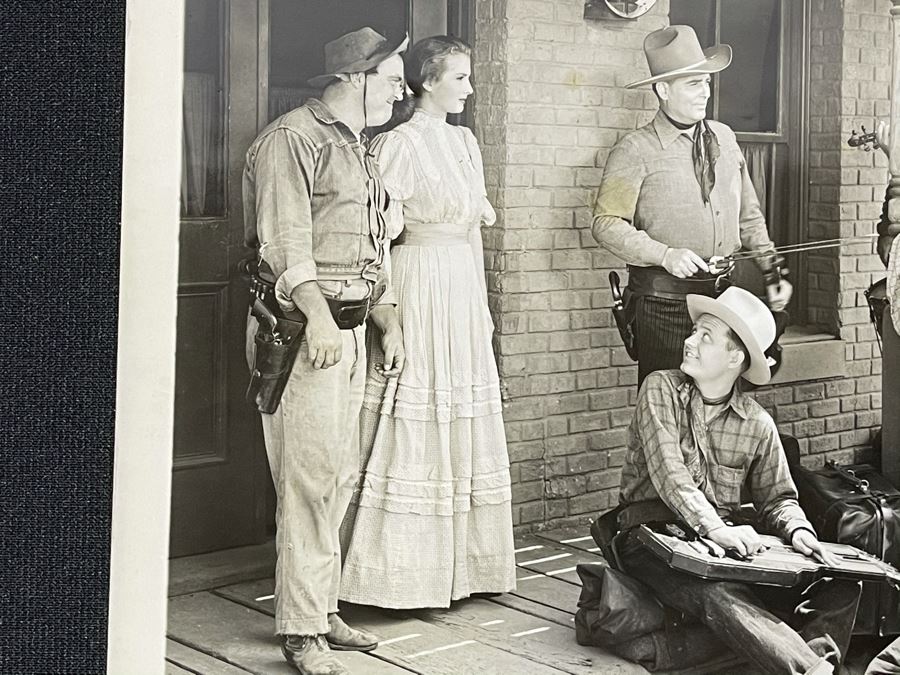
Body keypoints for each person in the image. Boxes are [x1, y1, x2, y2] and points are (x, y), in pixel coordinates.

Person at [242, 27, 408, 675]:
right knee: (308, 479)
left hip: (348, 329)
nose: (401, 91)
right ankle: (303, 629)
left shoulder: (357, 146)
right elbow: (285, 242)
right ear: (354, 78)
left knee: (335, 475)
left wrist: (386, 317)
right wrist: (316, 319)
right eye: (392, 78)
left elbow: (370, 244)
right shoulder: (293, 139)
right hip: (302, 330)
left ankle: (321, 605)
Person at [339, 35, 516, 609]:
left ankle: (461, 568)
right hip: (418, 283)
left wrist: (482, 309)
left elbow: (470, 234)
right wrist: (387, 313)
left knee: (460, 411)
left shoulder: (465, 142)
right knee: (414, 408)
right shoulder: (396, 145)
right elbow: (376, 240)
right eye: (459, 78)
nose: (470, 88)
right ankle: (398, 575)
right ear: (427, 82)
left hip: (460, 290)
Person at [611, 286, 862, 674]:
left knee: (842, 584)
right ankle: (807, 667)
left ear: (735, 357)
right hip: (649, 537)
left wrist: (799, 532)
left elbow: (778, 499)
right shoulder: (660, 389)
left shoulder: (758, 424)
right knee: (719, 593)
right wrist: (717, 529)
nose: (689, 341)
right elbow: (670, 475)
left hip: (722, 546)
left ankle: (808, 661)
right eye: (694, 331)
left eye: (705, 337)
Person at [592, 25, 792, 388]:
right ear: (663, 90)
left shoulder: (725, 138)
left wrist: (772, 271)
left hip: (725, 303)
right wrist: (665, 254)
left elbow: (748, 216)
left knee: (718, 407)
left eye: (707, 82)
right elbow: (606, 223)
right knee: (668, 405)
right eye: (693, 84)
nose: (706, 92)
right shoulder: (635, 149)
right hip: (665, 307)